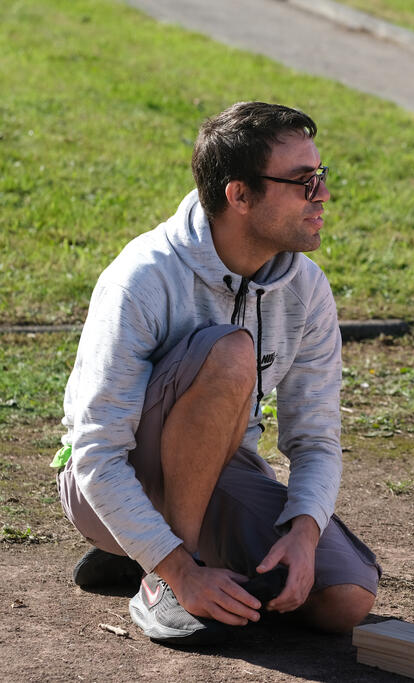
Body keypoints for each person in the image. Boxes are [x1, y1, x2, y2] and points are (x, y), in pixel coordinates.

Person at [55, 101, 380, 646]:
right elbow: (96, 453)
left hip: (217, 474)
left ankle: (139, 552)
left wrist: (303, 534)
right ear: (240, 195)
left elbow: (316, 437)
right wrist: (178, 569)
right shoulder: (142, 278)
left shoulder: (306, 289)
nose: (322, 194)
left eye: (320, 176)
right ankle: (162, 575)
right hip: (103, 485)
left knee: (344, 599)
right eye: (303, 181)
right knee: (231, 354)